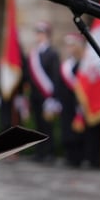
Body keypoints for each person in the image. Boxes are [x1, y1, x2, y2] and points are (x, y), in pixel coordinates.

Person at [26, 21, 60, 163]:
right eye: (37, 33)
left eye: (41, 33)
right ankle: (40, 152)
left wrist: (53, 98)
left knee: (48, 126)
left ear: (47, 35)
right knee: (38, 125)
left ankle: (49, 152)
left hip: (47, 96)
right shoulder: (34, 54)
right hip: (35, 95)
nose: (38, 36)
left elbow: (55, 76)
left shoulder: (52, 53)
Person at [56, 32, 87, 168]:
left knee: (78, 131)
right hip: (66, 103)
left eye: (71, 45)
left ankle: (78, 157)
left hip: (78, 102)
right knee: (66, 130)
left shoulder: (83, 64)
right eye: (67, 45)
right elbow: (59, 83)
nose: (69, 48)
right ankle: (69, 155)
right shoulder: (66, 65)